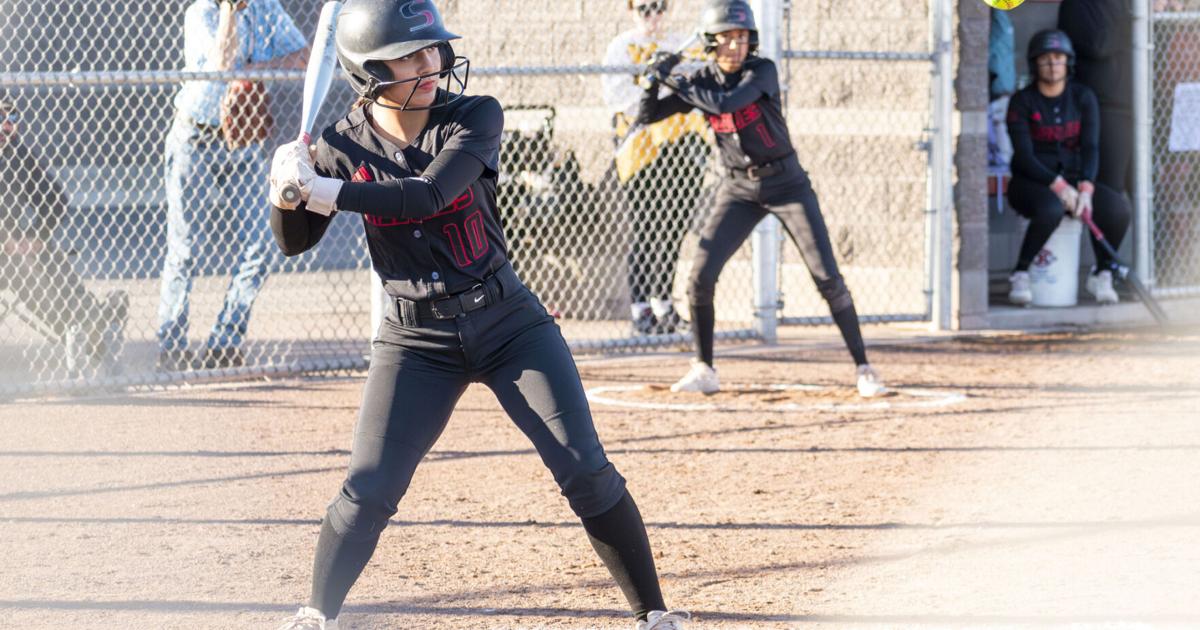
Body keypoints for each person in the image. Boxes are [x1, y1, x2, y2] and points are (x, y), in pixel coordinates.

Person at [267, 2, 689, 629]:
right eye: (409, 56)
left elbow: (429, 194)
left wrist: (327, 191)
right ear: (367, 69)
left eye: (432, 49)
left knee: (584, 470)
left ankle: (654, 615)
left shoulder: (474, 115)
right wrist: (285, 186)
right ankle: (315, 615)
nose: (430, 65)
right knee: (369, 490)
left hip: (507, 324)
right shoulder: (338, 146)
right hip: (414, 340)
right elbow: (294, 239)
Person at [635, 0, 884, 397]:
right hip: (739, 189)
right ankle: (704, 368)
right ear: (710, 43)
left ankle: (864, 368)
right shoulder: (704, 78)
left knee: (827, 278)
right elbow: (648, 115)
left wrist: (676, 78)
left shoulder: (760, 71)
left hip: (787, 184)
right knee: (700, 276)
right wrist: (653, 78)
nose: (735, 46)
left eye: (742, 37)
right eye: (726, 39)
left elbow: (726, 103)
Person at [157, 0, 307, 371]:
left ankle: (226, 341)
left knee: (261, 244)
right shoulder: (201, 13)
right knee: (186, 249)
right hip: (196, 139)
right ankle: (172, 347)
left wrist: (256, 70)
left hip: (244, 141)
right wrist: (229, 11)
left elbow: (303, 56)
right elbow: (224, 67)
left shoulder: (266, 9)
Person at [0, 91, 128, 375]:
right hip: (5, 248)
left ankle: (90, 327)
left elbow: (55, 200)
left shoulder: (16, 154)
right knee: (23, 268)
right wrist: (6, 240)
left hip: (15, 248)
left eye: (12, 117)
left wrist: (35, 237)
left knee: (49, 257)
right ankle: (87, 327)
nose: (7, 125)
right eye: (0, 116)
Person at [603, 0, 709, 335]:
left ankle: (664, 303)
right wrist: (660, 93)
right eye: (645, 8)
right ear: (631, 10)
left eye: (659, 7)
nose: (653, 16)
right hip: (641, 150)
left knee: (675, 228)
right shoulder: (622, 47)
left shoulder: (681, 43)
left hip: (682, 147)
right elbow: (621, 98)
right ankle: (641, 308)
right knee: (646, 228)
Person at [1005, 30, 1132, 305]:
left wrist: (1086, 189)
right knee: (1051, 209)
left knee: (1117, 209)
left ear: (1069, 62)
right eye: (1046, 59)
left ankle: (1102, 271)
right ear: (1034, 63)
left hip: (1075, 180)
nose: (1053, 65)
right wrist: (1059, 187)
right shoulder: (1022, 101)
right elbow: (1024, 156)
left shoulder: (1083, 97)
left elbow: (1091, 147)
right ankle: (1021, 272)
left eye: (1059, 58)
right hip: (1031, 183)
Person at [1057, 0, 1133, 196]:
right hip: (1104, 107)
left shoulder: (1125, 4)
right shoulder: (1076, 6)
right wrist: (1136, 21)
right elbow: (1098, 44)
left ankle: (1152, 227)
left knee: (1146, 183)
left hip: (1137, 103)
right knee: (1110, 186)